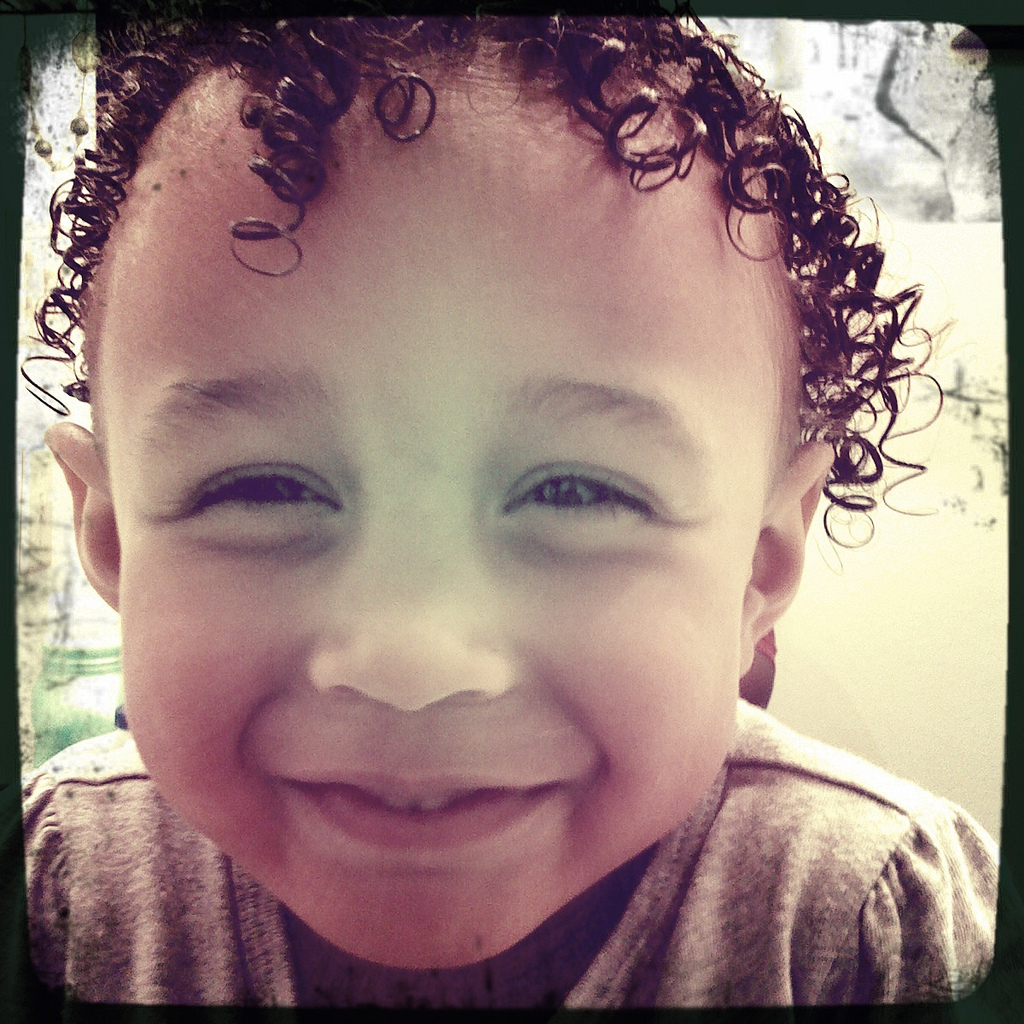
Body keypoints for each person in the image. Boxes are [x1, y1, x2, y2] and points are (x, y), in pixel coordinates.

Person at [15, 14, 999, 1009]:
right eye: (262, 487)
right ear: (112, 535)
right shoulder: (58, 882)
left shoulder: (868, 918)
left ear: (760, 560)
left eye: (574, 491)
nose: (411, 659)